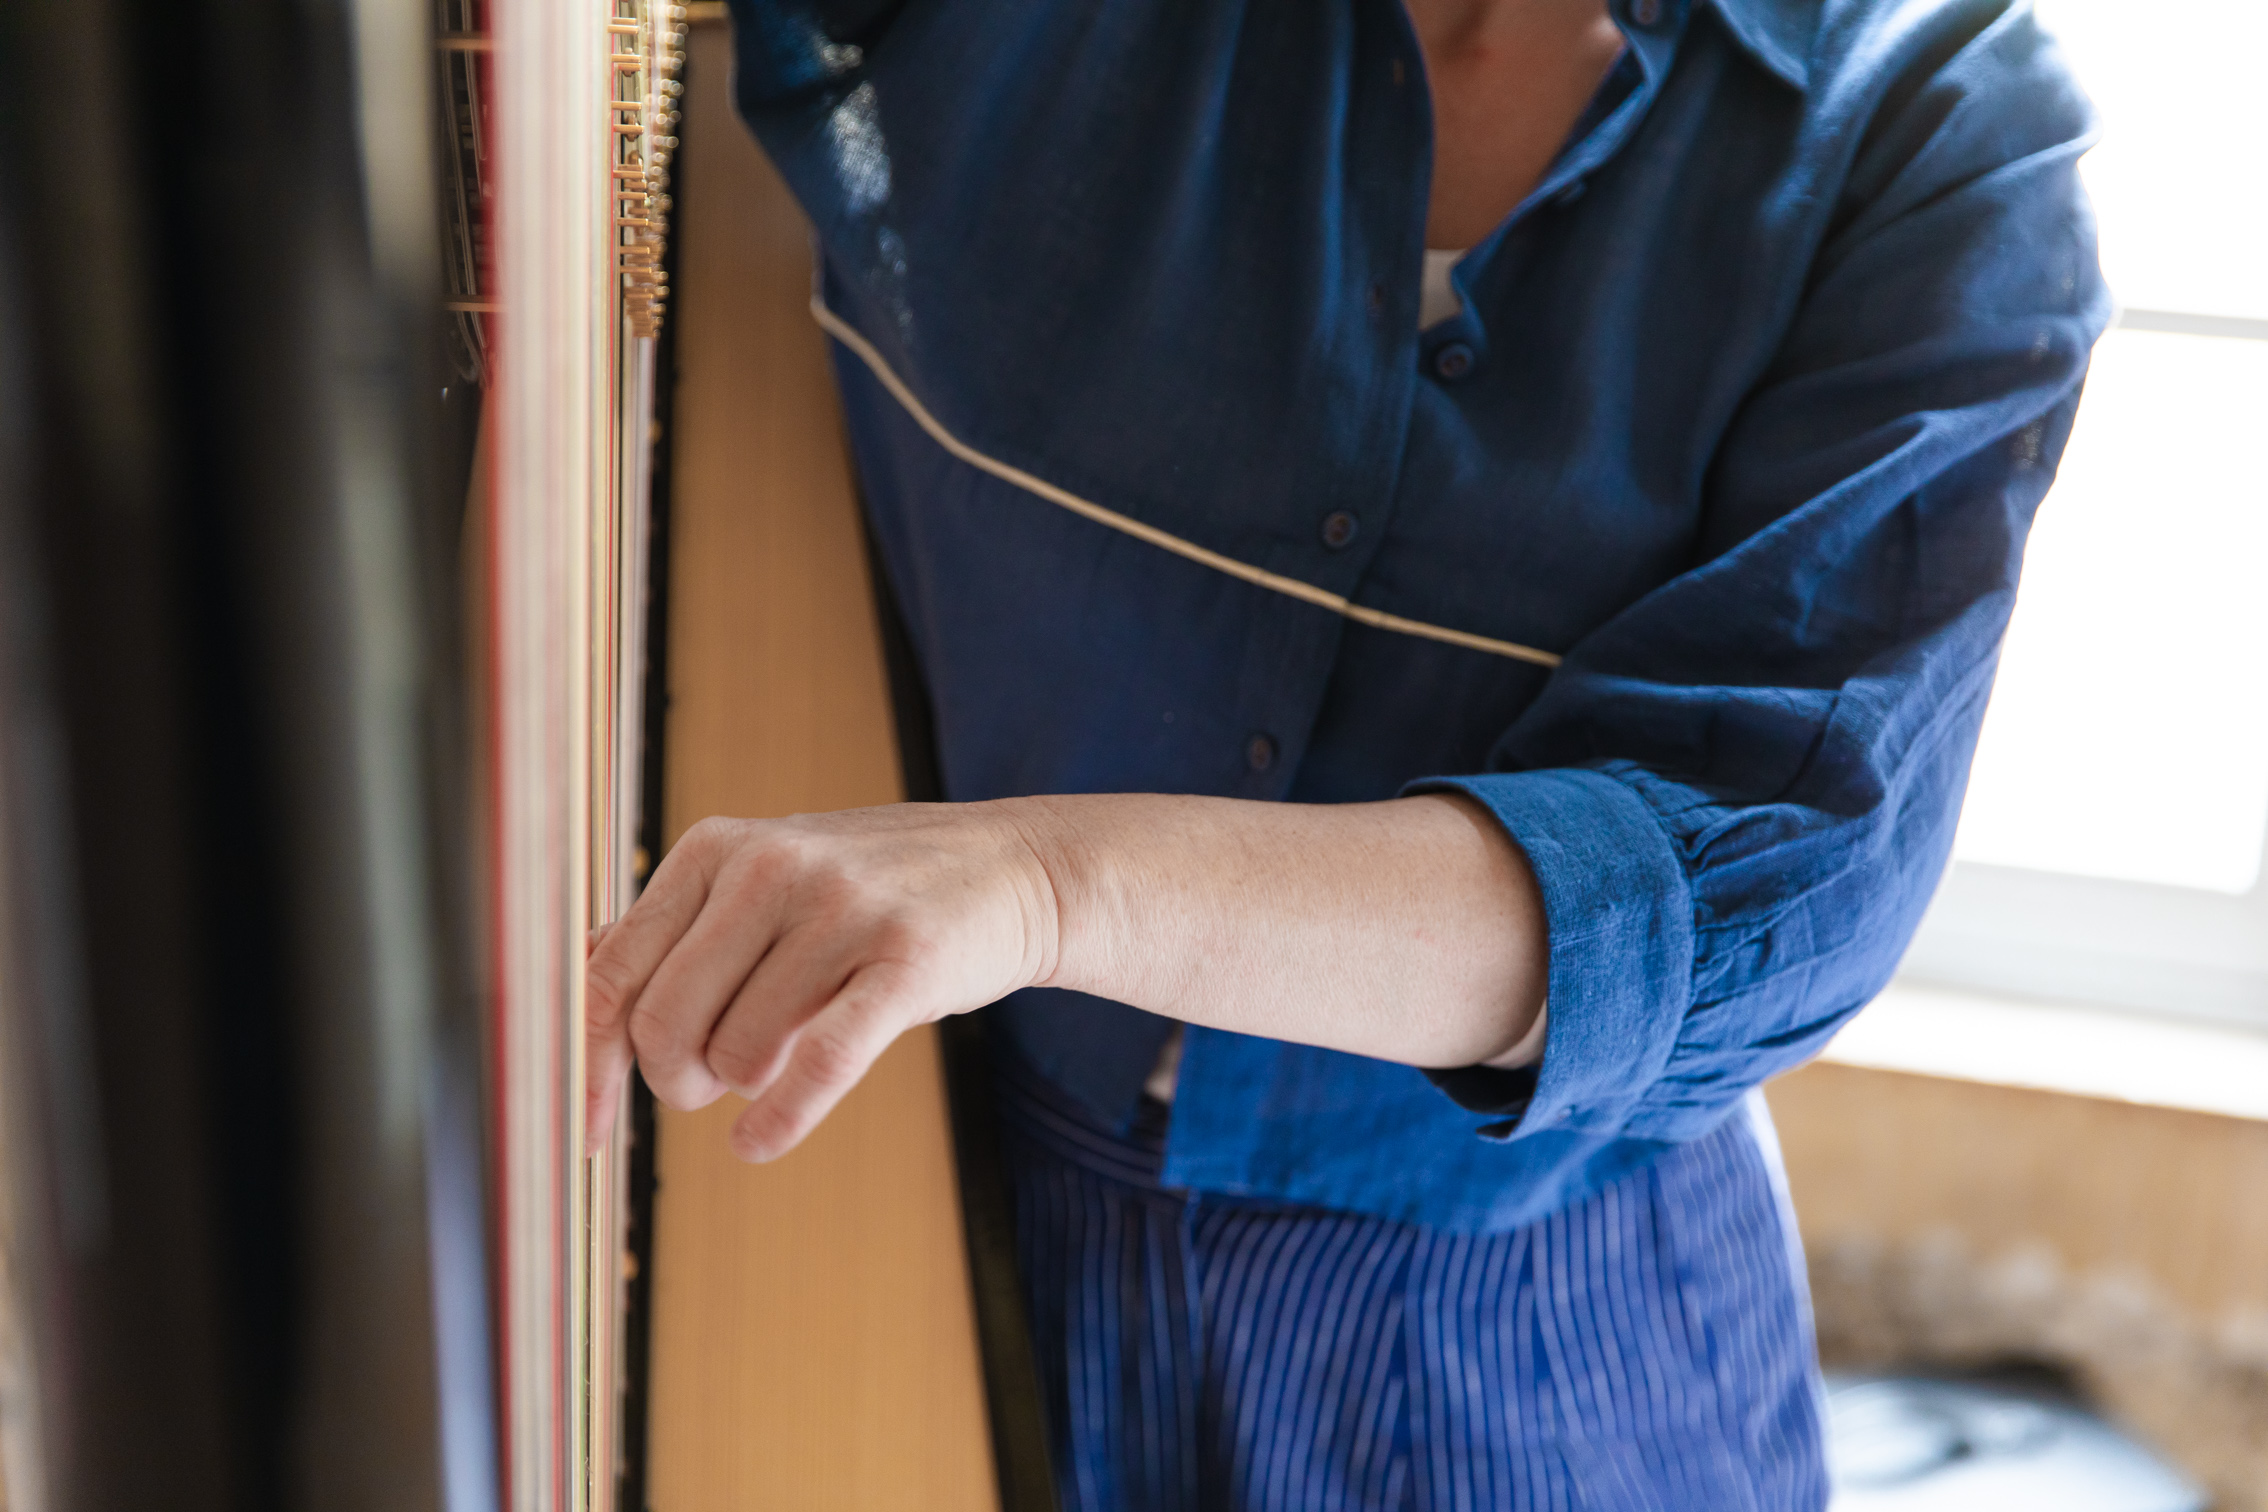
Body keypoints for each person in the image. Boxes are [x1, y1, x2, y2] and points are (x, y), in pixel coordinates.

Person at [585, 0, 2107, 1504]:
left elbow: (1760, 881)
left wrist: (1052, 885)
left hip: (1527, 1330)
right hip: (947, 1192)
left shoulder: (1946, 113)